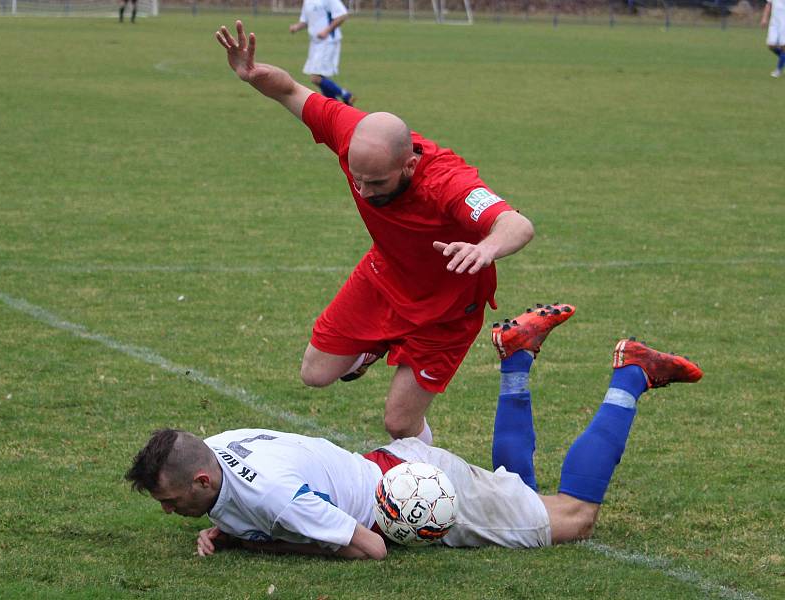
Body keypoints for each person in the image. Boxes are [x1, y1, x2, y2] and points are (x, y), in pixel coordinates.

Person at [125, 303, 703, 559]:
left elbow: (369, 548)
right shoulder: (223, 445)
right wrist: (235, 533)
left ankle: (631, 373)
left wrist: (255, 545)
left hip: (410, 499)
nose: (169, 512)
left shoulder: (270, 496)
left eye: (173, 501)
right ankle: (517, 358)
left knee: (573, 518)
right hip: (391, 464)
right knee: (518, 493)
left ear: (202, 479)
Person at [215, 21, 536, 444]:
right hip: (385, 275)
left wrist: (487, 248)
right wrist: (255, 76)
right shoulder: (349, 132)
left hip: (448, 305)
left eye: (377, 183)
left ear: (408, 165)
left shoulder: (448, 183)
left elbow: (517, 224)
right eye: (357, 179)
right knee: (314, 373)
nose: (364, 192)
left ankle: (428, 490)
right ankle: (375, 346)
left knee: (399, 424)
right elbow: (292, 91)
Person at [289, 0, 355, 105]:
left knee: (316, 77)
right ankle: (335, 107)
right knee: (321, 78)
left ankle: (346, 95)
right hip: (315, 43)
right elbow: (305, 21)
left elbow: (342, 15)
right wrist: (296, 27)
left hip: (328, 41)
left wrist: (327, 31)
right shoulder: (307, 1)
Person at [761, 0, 785, 78]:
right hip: (774, 23)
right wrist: (764, 18)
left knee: (783, 46)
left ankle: (778, 70)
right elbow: (769, 5)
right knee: (771, 45)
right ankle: (783, 58)